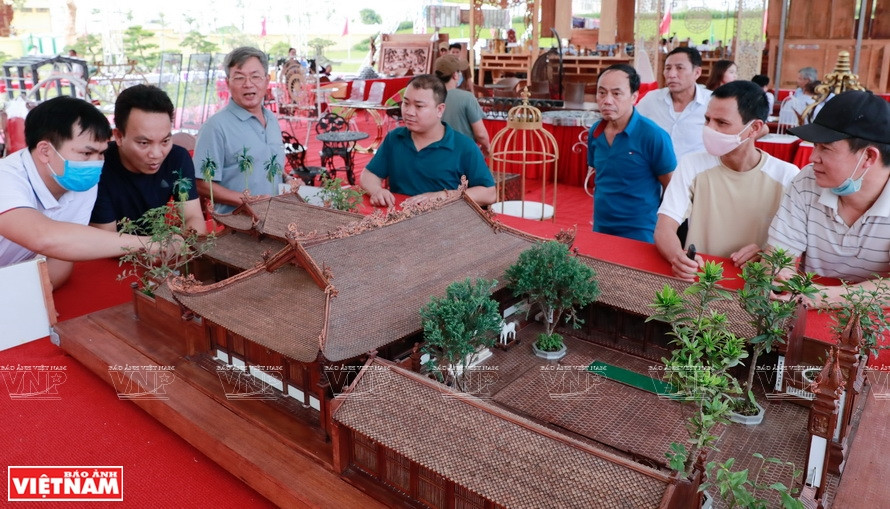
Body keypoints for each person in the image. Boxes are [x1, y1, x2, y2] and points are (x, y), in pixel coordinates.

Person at [0, 96, 155, 289]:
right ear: (45, 151)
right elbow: (44, 237)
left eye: (101, 153)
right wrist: (148, 244)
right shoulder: (5, 178)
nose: (96, 163)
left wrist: (35, 299)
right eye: (86, 153)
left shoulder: (81, 182)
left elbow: (63, 257)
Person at [654, 81, 799, 280]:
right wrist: (677, 257)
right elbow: (665, 226)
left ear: (754, 128)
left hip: (752, 284)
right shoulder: (692, 165)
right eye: (707, 120)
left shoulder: (786, 176)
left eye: (722, 123)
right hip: (699, 280)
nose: (710, 129)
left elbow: (793, 249)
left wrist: (767, 254)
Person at [768, 90, 890, 308]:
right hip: (802, 313)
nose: (813, 158)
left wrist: (821, 297)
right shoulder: (807, 181)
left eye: (825, 148)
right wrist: (779, 276)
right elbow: (777, 259)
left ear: (869, 157)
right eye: (814, 146)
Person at [360, 74, 495, 208]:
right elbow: (369, 175)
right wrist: (377, 191)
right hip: (399, 219)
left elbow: (489, 193)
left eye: (419, 106)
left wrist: (443, 195)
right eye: (406, 103)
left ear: (439, 110)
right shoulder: (395, 139)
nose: (409, 112)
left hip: (445, 222)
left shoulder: (463, 146)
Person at [90, 85, 206, 235]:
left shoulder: (177, 158)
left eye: (165, 141)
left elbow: (193, 217)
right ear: (118, 136)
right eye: (144, 143)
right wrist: (163, 248)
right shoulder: (98, 166)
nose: (157, 154)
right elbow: (106, 239)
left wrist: (179, 244)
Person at [588, 64, 676, 243]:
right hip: (601, 226)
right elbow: (601, 176)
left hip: (640, 230)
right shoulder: (595, 132)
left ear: (634, 97)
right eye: (602, 92)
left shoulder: (653, 136)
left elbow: (672, 188)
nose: (607, 100)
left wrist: (664, 230)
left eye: (617, 93)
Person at [194, 47, 285, 214]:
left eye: (255, 76)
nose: (248, 84)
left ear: (266, 80)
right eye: (239, 77)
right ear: (228, 82)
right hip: (236, 226)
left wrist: (288, 180)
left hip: (275, 219)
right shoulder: (215, 127)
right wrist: (248, 201)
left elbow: (268, 162)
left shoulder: (271, 119)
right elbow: (202, 184)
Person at [636, 47, 712, 160]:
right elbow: (631, 127)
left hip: (696, 175)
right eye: (668, 68)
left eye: (679, 68)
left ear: (697, 72)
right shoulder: (651, 99)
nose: (671, 74)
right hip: (654, 173)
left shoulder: (712, 102)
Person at [434, 55, 491, 157]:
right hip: (463, 157)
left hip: (435, 155)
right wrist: (487, 147)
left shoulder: (429, 97)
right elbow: (481, 134)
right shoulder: (467, 98)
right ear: (455, 75)